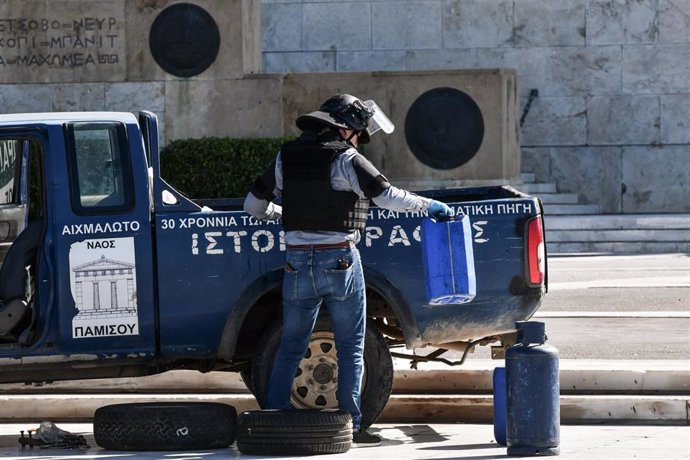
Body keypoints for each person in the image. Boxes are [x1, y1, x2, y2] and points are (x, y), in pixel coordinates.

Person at [244, 93, 453, 446]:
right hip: (339, 259)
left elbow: (253, 205)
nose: (359, 139)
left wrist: (282, 216)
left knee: (293, 343)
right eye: (358, 132)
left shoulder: (285, 157)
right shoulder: (346, 158)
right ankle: (353, 425)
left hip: (296, 262)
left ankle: (276, 417)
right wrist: (428, 205)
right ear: (346, 129)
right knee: (351, 344)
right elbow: (386, 196)